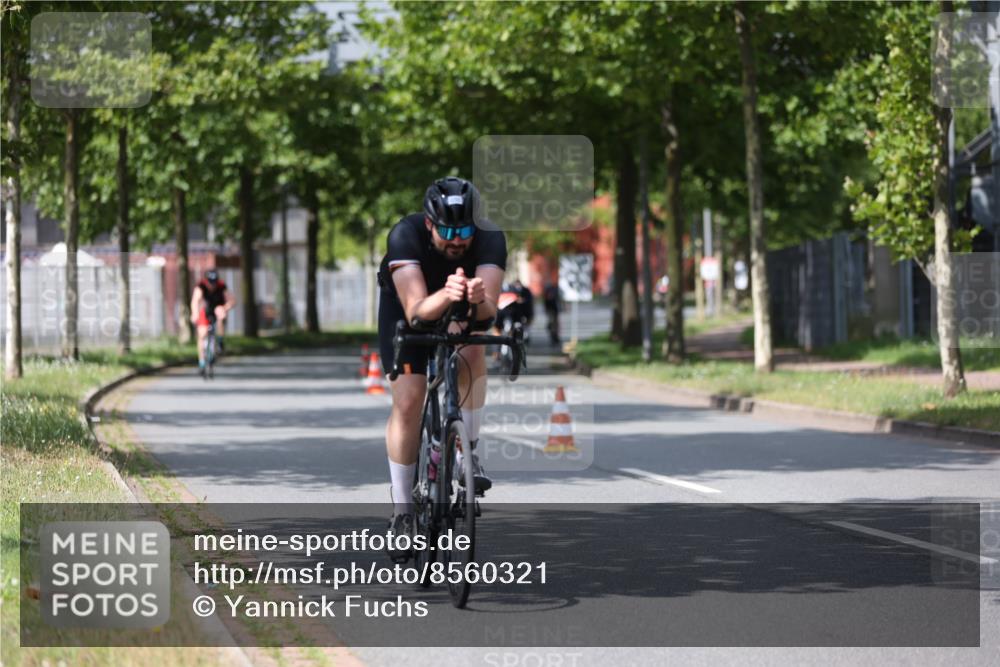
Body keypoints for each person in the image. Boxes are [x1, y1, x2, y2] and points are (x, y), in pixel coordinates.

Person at [376, 176, 506, 562]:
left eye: (464, 231)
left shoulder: (490, 237)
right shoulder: (405, 235)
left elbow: (488, 314)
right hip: (407, 308)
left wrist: (477, 300)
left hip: (460, 305)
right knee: (409, 400)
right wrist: (448, 295)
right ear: (430, 223)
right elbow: (417, 312)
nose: (457, 240)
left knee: (473, 351)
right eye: (447, 231)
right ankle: (403, 511)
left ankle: (468, 452)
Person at [190, 269, 235, 375]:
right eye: (210, 282)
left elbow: (232, 300)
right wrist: (195, 313)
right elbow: (195, 301)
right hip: (205, 311)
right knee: (202, 334)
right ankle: (201, 362)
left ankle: (220, 341)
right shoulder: (201, 286)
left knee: (220, 314)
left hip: (217, 310)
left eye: (214, 282)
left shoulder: (221, 286)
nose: (212, 285)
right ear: (206, 281)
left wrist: (225, 308)